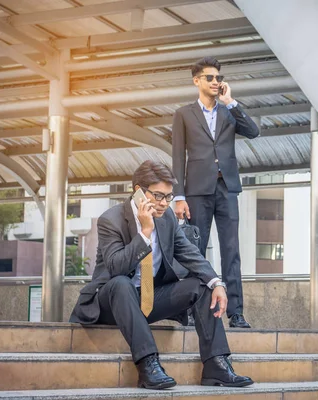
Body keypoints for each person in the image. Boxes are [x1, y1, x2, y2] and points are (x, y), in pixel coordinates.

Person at [69, 160, 253, 390]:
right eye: (158, 196)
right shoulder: (111, 219)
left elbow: (190, 254)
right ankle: (149, 365)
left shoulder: (167, 220)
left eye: (168, 197)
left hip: (147, 301)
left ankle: (216, 364)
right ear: (138, 191)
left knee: (202, 285)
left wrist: (217, 282)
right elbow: (116, 267)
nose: (164, 203)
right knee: (121, 284)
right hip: (110, 301)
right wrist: (145, 233)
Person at [172, 56, 259, 329]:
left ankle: (236, 313)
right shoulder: (184, 114)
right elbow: (177, 158)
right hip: (197, 190)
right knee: (194, 250)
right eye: (209, 77)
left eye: (218, 78)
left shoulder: (228, 112)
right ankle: (187, 308)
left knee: (231, 251)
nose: (215, 82)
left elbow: (254, 132)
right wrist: (179, 196)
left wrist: (230, 102)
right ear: (196, 80)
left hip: (227, 188)